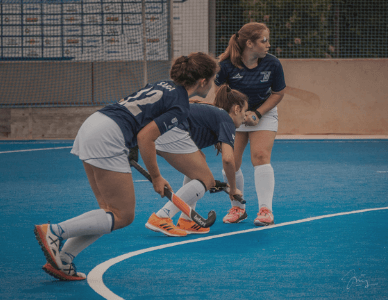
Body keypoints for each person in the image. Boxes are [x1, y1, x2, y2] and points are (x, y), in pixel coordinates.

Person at [33, 52, 218, 281]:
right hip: (109, 136)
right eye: (212, 79)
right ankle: (54, 231)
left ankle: (64, 259)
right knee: (123, 215)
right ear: (202, 81)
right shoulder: (181, 105)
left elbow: (137, 118)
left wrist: (129, 148)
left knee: (108, 211)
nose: (213, 84)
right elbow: (146, 138)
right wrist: (156, 176)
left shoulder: (162, 85)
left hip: (95, 124)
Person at [144, 84, 248, 237]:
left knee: (199, 166)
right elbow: (228, 159)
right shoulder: (226, 119)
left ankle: (186, 219)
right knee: (206, 180)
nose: (245, 117)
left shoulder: (213, 114)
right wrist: (233, 188)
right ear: (237, 109)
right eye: (245, 111)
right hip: (170, 132)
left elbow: (196, 159)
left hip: (159, 132)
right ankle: (162, 216)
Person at [215, 22, 286, 226]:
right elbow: (221, 94)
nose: (268, 45)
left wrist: (257, 113)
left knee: (260, 156)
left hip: (263, 113)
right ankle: (238, 207)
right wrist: (237, 113)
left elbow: (278, 93)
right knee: (231, 162)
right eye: (264, 41)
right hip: (234, 115)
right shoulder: (226, 65)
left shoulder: (273, 64)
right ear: (249, 43)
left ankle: (265, 210)